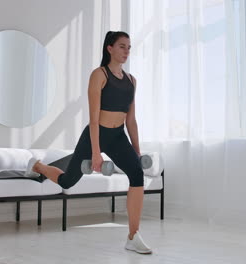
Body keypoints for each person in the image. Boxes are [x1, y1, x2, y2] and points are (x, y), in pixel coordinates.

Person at [25, 31, 152, 254]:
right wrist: (96, 152)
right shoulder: (99, 75)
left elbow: (131, 120)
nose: (126, 51)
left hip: (118, 136)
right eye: (122, 46)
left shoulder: (132, 81)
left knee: (136, 174)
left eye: (129, 47)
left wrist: (137, 151)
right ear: (109, 48)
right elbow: (93, 119)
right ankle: (38, 166)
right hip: (97, 133)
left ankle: (133, 236)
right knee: (67, 181)